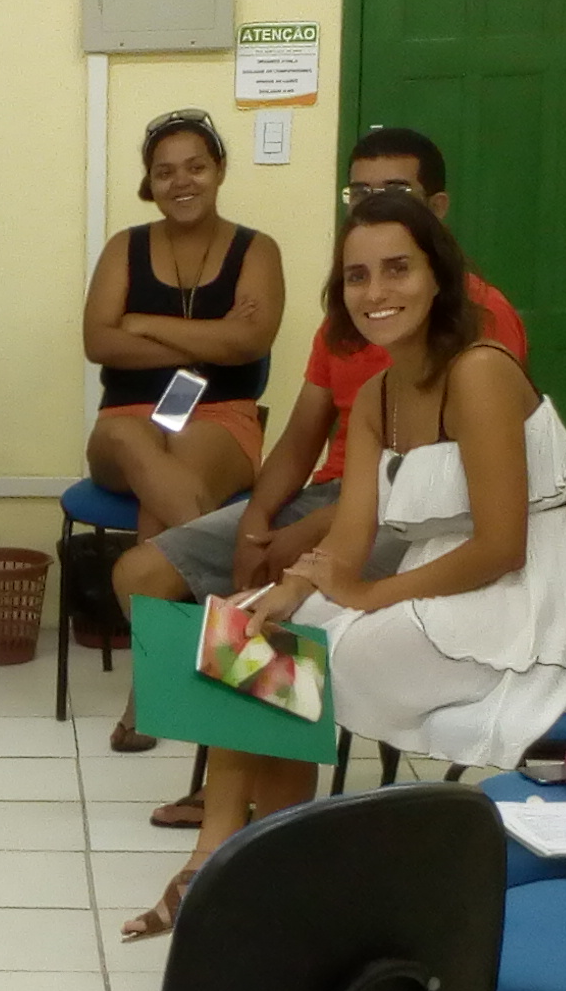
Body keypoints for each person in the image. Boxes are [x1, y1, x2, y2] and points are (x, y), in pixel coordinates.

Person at [124, 193, 566, 939]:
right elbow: (352, 533)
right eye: (357, 276)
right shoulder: (380, 394)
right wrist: (290, 588)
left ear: (439, 276)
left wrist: (367, 593)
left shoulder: (479, 371)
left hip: (521, 600)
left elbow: (502, 545)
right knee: (247, 628)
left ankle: (251, 878)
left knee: (285, 669)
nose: (376, 292)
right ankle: (226, 864)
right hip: (440, 578)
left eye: (397, 270)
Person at [120, 127, 531, 819]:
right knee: (151, 579)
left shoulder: (481, 334)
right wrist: (258, 522)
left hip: (437, 528)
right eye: (357, 193)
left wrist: (312, 554)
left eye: (393, 192)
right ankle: (237, 782)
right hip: (346, 503)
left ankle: (251, 808)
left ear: (437, 215)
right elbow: (300, 440)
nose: (370, 206)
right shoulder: (352, 330)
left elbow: (443, 497)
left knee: (270, 639)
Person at [80, 108, 288, 534]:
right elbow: (99, 343)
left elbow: (248, 343)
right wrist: (215, 337)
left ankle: (148, 579)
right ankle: (225, 569)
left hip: (221, 416)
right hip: (125, 414)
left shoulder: (257, 249)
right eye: (165, 173)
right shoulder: (124, 246)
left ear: (220, 170)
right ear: (150, 182)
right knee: (127, 438)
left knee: (171, 478)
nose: (181, 183)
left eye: (196, 168)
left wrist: (144, 323)